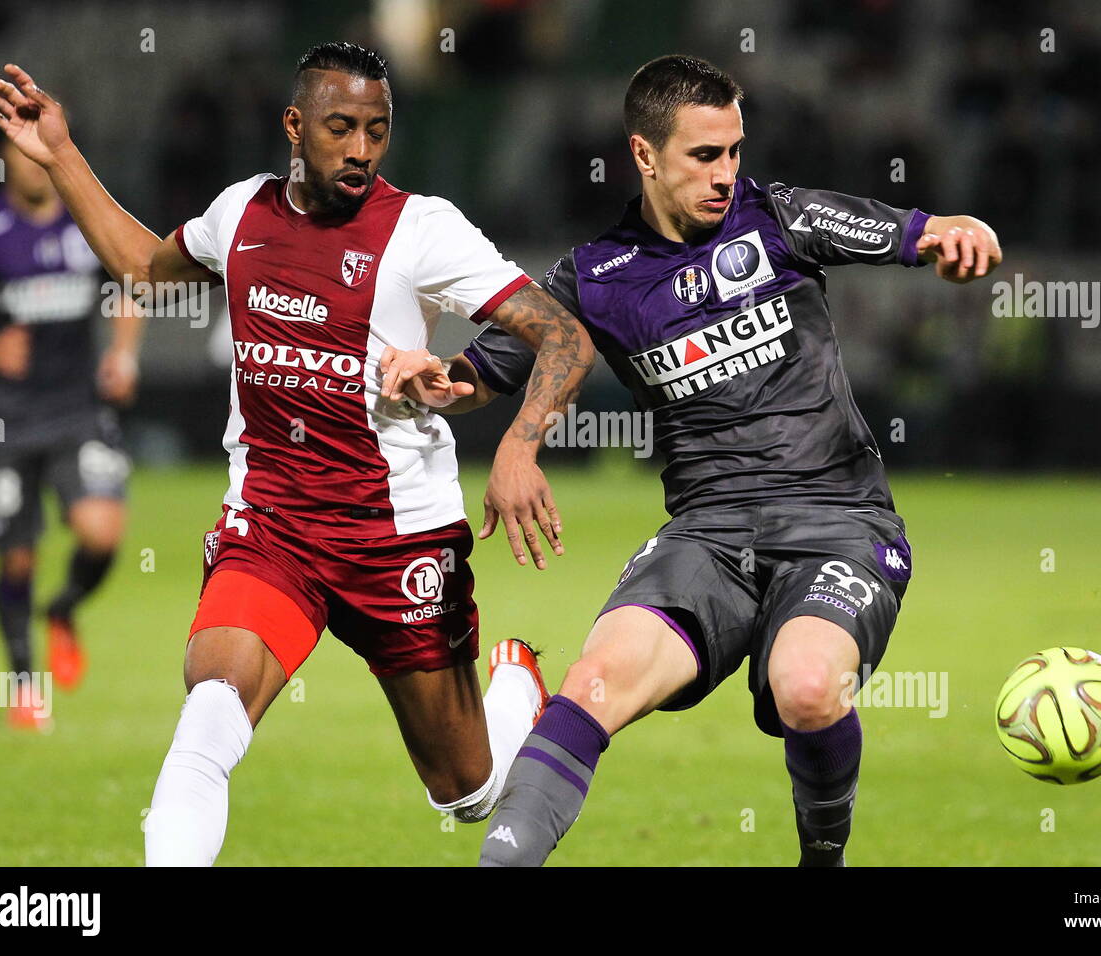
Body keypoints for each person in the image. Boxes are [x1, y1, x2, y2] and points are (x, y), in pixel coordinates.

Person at [0, 41, 594, 864]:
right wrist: (58, 150)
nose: (361, 150)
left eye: (377, 130)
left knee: (468, 793)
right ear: (294, 125)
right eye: (341, 127)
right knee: (210, 711)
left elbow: (560, 331)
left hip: (398, 537)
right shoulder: (241, 214)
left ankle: (515, 682)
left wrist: (519, 446)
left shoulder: (421, 229)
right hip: (273, 527)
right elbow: (139, 267)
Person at [398, 54, 1001, 866]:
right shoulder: (595, 278)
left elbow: (911, 230)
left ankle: (822, 859)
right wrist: (432, 381)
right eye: (704, 155)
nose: (727, 174)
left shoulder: (781, 218)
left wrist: (956, 231)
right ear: (644, 155)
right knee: (592, 684)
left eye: (734, 151)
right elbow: (483, 374)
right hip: (709, 539)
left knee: (810, 688)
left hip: (840, 526)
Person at [0, 131, 140, 729]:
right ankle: (26, 686)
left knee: (102, 532)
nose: (34, 166)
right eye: (21, 156)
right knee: (17, 560)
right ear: (3, 160)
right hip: (3, 417)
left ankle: (62, 608)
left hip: (77, 409)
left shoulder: (87, 223)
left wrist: (125, 354)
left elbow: (130, 281)